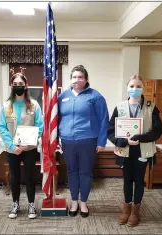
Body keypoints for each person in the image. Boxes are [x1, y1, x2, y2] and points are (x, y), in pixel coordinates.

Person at [108, 75, 162, 227]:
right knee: (127, 181)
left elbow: (158, 130)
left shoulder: (151, 106)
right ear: (127, 88)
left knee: (139, 181)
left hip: (143, 151)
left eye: (138, 86)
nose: (135, 89)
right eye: (132, 86)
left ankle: (135, 212)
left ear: (143, 88)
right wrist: (124, 141)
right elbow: (110, 131)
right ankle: (126, 210)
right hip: (125, 151)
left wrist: (141, 137)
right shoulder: (119, 107)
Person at [58, 65, 109, 218]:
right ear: (71, 79)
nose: (77, 80)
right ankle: (74, 201)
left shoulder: (95, 96)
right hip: (67, 140)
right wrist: (56, 138)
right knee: (72, 171)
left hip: (88, 140)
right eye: (74, 77)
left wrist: (101, 142)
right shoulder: (63, 97)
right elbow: (57, 119)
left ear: (86, 79)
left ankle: (84, 202)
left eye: (80, 77)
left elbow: (103, 119)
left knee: (85, 172)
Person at [0, 68, 43, 219]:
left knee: (30, 177)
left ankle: (31, 204)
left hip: (29, 148)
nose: (18, 85)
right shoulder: (6, 106)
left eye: (20, 83)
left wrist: (27, 144)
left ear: (26, 84)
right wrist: (12, 146)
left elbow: (40, 125)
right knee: (14, 177)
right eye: (15, 83)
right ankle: (15, 204)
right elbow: (2, 127)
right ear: (11, 85)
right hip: (12, 150)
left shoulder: (34, 105)